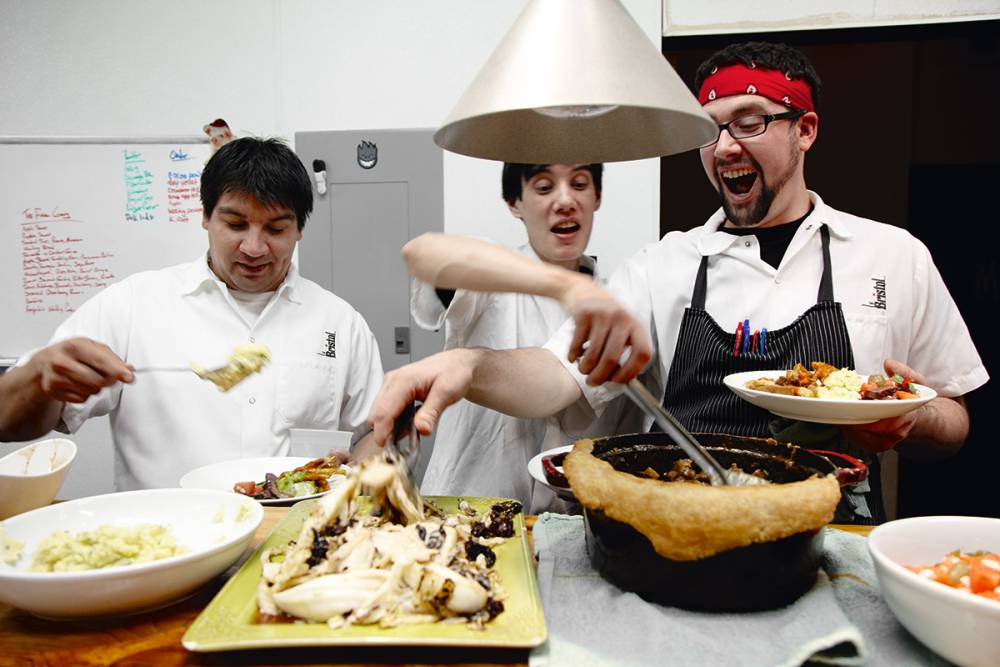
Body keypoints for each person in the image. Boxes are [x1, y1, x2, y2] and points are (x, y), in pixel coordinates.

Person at [369, 42, 988, 524]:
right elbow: (555, 376)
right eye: (710, 129)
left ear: (805, 130)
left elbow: (954, 419)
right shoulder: (662, 265)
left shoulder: (892, 255)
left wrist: (914, 419)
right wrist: (469, 364)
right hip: (689, 528)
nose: (724, 148)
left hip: (835, 534)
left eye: (748, 122)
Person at [0, 137, 384, 491]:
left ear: (299, 229)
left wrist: (361, 467)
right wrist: (39, 377)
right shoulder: (132, 305)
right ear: (205, 216)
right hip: (165, 546)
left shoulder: (339, 322)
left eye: (275, 229)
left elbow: (373, 433)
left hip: (297, 544)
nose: (253, 247)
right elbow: (11, 421)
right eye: (234, 224)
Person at [396, 163, 635, 513]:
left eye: (580, 184)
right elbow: (431, 257)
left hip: (565, 525)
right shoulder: (491, 282)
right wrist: (558, 283)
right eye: (543, 187)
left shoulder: (619, 305)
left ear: (597, 196)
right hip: (465, 510)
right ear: (514, 202)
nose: (565, 200)